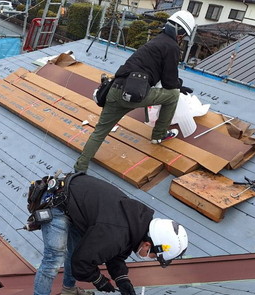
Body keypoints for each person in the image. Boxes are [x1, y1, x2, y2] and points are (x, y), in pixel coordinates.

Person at [32, 173, 188, 295]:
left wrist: (122, 279)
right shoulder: (115, 232)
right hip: (57, 201)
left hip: (76, 202)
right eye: (154, 256)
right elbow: (81, 264)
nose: (151, 258)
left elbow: (116, 252)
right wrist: (99, 280)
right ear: (148, 244)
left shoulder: (137, 223)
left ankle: (69, 289)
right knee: (54, 257)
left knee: (78, 247)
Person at [74, 11, 197, 173]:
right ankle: (158, 135)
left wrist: (173, 82)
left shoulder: (155, 42)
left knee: (100, 132)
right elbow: (169, 83)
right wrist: (178, 86)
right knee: (173, 95)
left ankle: (80, 166)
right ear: (179, 32)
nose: (181, 39)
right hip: (134, 94)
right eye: (183, 36)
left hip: (114, 91)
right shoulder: (172, 47)